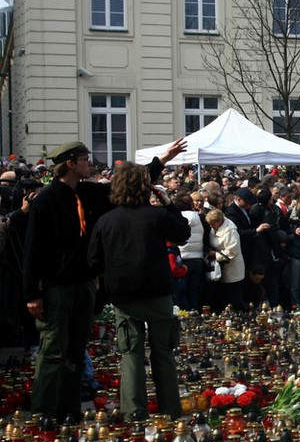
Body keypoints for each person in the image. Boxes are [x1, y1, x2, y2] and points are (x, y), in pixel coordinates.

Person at [23, 138, 184, 422]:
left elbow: (125, 183)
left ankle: (69, 409)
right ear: (70, 163)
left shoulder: (87, 192)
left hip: (84, 284)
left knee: (75, 352)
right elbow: (32, 249)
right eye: (85, 159)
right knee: (53, 351)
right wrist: (31, 293)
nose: (91, 163)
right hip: (57, 287)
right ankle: (43, 413)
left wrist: (160, 162)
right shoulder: (46, 200)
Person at [87, 162, 190, 420]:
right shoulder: (156, 216)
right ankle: (171, 410)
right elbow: (183, 233)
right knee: (163, 352)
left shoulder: (106, 221)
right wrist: (167, 203)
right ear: (146, 188)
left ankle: (134, 412)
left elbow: (93, 261)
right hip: (157, 293)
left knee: (131, 354)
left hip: (124, 294)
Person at [205, 208, 245, 312]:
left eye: (213, 224)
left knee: (232, 297)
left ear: (219, 222)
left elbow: (232, 251)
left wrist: (215, 254)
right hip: (219, 267)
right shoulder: (214, 228)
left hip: (232, 268)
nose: (211, 227)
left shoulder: (230, 231)